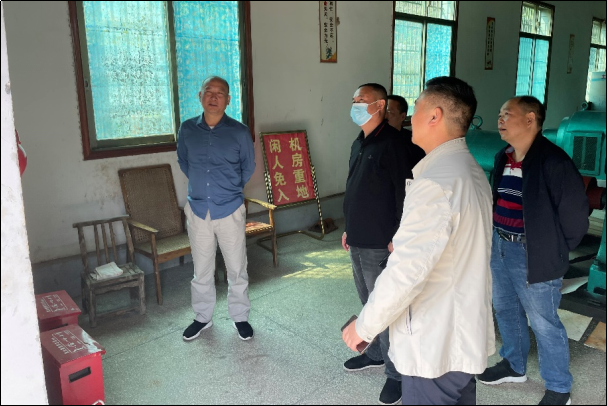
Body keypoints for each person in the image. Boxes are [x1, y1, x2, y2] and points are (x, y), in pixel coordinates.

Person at [342, 76, 496, 405]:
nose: (410, 117)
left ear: (435, 116)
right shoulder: (467, 169)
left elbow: (406, 272)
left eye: (417, 108)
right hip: (459, 334)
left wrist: (364, 327)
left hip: (434, 345)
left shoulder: (435, 183)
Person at [477, 96, 589, 406]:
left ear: (530, 120)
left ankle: (559, 388)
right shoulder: (503, 156)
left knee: (543, 321)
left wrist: (554, 250)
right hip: (500, 245)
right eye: (500, 114)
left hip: (533, 253)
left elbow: (576, 218)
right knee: (505, 309)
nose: (500, 119)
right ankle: (514, 365)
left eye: (507, 114)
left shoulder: (554, 162)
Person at [342, 83, 412, 405]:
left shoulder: (394, 144)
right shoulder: (360, 142)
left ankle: (396, 375)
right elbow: (355, 188)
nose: (356, 104)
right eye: (354, 100)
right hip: (357, 237)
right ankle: (375, 354)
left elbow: (404, 195)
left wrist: (398, 236)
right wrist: (348, 228)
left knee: (385, 307)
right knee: (368, 302)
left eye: (362, 100)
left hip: (380, 242)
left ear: (380, 105)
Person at [177, 76, 256, 342]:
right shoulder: (187, 129)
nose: (213, 96)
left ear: (228, 100)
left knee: (237, 268)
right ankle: (202, 317)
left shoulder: (239, 132)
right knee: (201, 270)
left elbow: (248, 167)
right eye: (208, 91)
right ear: (199, 96)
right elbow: (184, 161)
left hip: (230, 208)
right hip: (198, 208)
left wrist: (228, 188)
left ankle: (240, 317)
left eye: (220, 93)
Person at [386, 95, 425, 165]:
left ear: (402, 116)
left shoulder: (413, 142)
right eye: (382, 111)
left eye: (389, 112)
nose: (384, 115)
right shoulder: (373, 138)